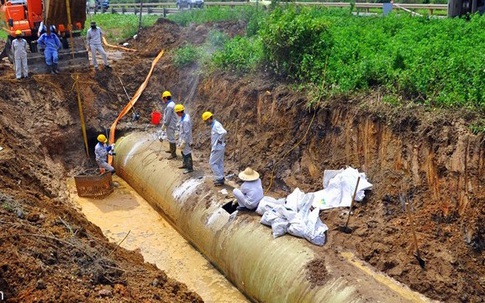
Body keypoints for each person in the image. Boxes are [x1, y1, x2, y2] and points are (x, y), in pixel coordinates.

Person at [202, 111, 227, 186]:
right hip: (219, 147)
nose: (206, 123)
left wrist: (219, 140)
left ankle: (219, 178)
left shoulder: (216, 125)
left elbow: (224, 132)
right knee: (219, 163)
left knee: (212, 163)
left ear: (209, 119)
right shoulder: (215, 125)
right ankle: (221, 178)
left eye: (206, 121)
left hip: (218, 147)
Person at [175, 104, 194, 174]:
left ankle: (190, 168)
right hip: (183, 138)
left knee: (187, 153)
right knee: (183, 152)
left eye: (177, 113)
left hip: (186, 139)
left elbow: (187, 132)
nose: (177, 114)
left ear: (180, 112)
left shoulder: (185, 120)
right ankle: (185, 164)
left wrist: (184, 142)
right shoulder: (185, 116)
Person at [161, 91, 178, 159]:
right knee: (170, 137)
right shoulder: (172, 104)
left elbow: (168, 117)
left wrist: (164, 125)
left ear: (165, 98)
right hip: (171, 123)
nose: (163, 100)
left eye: (163, 99)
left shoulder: (169, 106)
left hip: (170, 124)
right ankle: (171, 149)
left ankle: (173, 154)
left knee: (171, 138)